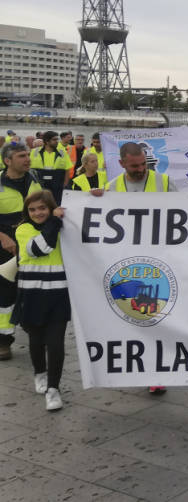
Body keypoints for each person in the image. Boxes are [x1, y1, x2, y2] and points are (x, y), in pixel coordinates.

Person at [101, 142, 174, 395]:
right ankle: (146, 369)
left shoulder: (163, 182)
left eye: (143, 164)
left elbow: (187, 212)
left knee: (158, 316)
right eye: (135, 166)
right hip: (132, 266)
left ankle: (158, 372)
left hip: (161, 262)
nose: (141, 169)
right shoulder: (111, 188)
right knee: (140, 318)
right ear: (121, 164)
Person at [12, 190, 70, 411]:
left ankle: (53, 389)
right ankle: (40, 373)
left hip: (58, 295)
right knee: (36, 341)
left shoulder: (60, 227)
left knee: (56, 343)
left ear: (51, 207)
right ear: (27, 212)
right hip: (32, 295)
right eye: (32, 209)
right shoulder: (23, 229)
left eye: (42, 208)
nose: (37, 213)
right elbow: (40, 248)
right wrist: (55, 219)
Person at [0, 143, 43, 360]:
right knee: (5, 296)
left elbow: (47, 207)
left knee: (32, 290)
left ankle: (32, 328)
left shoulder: (33, 178)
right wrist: (2, 236)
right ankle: (4, 341)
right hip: (4, 248)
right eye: (22, 156)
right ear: (8, 161)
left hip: (31, 246)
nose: (28, 159)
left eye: (28, 155)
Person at [30, 131, 70, 205]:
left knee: (56, 204)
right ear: (47, 141)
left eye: (57, 139)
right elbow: (28, 170)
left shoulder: (62, 152)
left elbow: (67, 169)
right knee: (40, 203)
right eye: (54, 140)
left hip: (57, 185)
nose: (57, 142)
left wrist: (65, 184)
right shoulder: (34, 152)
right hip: (39, 184)